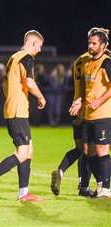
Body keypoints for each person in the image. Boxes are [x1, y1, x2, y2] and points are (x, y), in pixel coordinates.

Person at [0, 30, 46, 202]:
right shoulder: (27, 57)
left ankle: (23, 192)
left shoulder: (13, 58)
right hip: (17, 112)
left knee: (29, 150)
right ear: (33, 43)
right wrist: (41, 96)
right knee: (22, 153)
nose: (40, 50)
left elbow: (5, 86)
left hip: (14, 110)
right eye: (40, 46)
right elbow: (29, 82)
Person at [51, 28, 102, 197]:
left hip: (76, 108)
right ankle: (100, 184)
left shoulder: (78, 61)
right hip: (92, 111)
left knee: (80, 149)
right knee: (92, 151)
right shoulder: (96, 60)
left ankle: (62, 171)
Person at [69, 27, 111, 198]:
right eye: (89, 43)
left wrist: (99, 101)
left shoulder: (106, 62)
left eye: (94, 43)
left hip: (103, 114)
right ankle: (100, 183)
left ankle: (106, 189)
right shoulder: (86, 63)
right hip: (88, 115)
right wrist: (79, 101)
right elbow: (84, 90)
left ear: (103, 45)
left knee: (102, 149)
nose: (90, 46)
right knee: (87, 151)